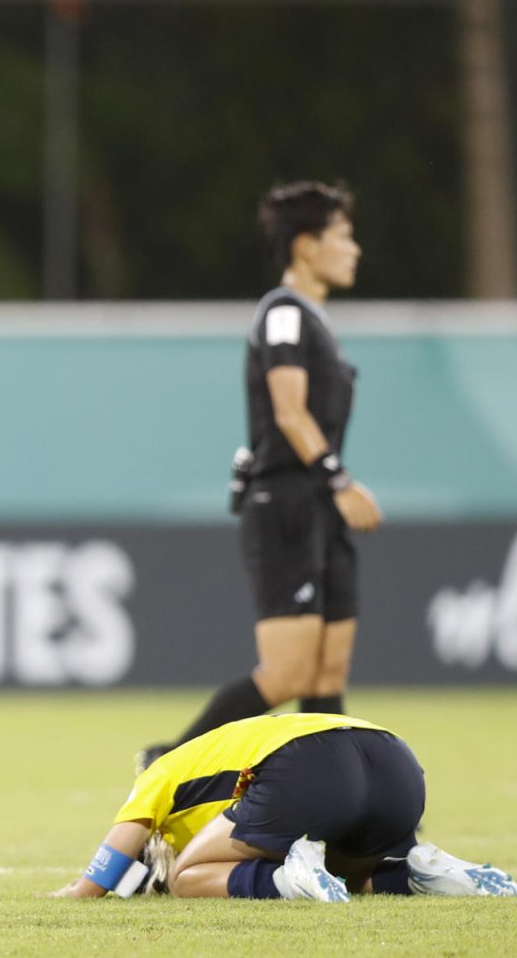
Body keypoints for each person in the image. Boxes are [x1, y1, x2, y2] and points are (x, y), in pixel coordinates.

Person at [140, 181, 383, 769]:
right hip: (288, 503)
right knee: (288, 673)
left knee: (327, 669)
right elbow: (289, 411)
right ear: (305, 245)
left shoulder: (314, 320)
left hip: (317, 505)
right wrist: (339, 480)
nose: (355, 249)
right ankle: (166, 764)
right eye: (343, 236)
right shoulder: (282, 314)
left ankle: (339, 814)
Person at [57, 712, 517, 902]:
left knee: (184, 879)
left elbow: (116, 853)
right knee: (341, 874)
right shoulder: (218, 753)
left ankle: (285, 881)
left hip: (309, 766)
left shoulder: (159, 773)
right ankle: (417, 872)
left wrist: (75, 894)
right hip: (396, 762)